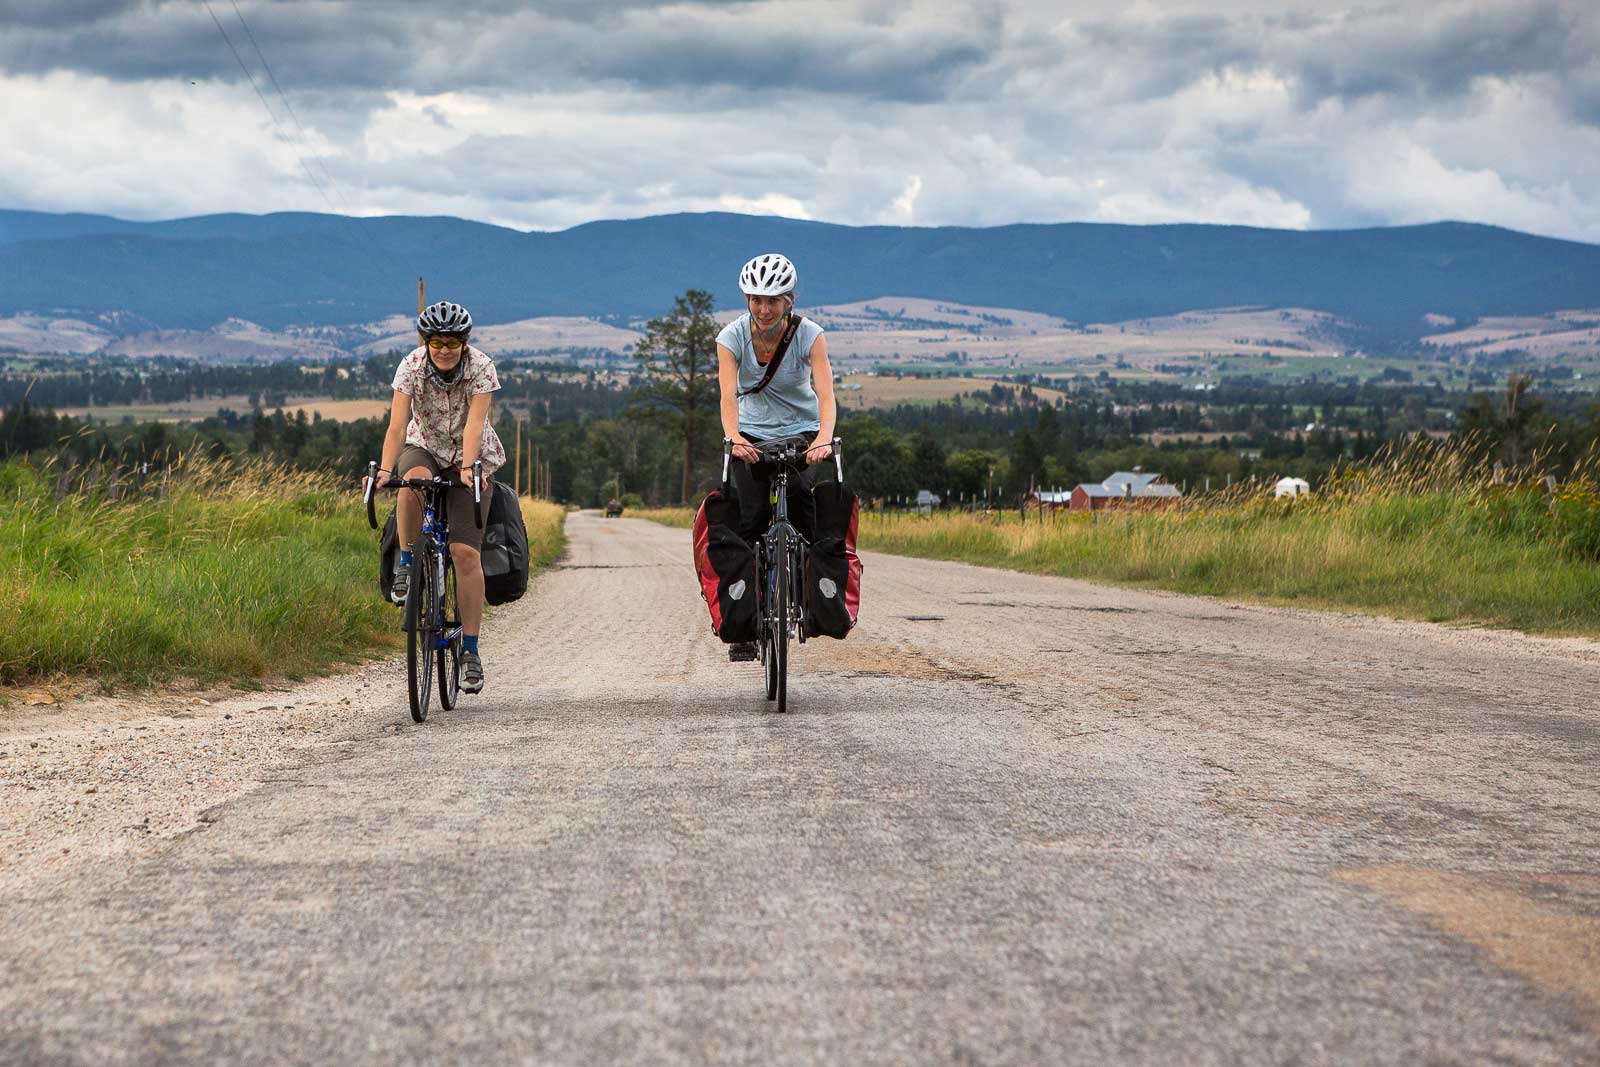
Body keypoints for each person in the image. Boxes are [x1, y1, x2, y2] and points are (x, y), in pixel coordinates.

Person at [376, 300, 505, 694]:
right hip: (426, 445)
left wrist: (468, 468)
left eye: (452, 342)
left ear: (464, 342)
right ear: (426, 341)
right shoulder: (410, 366)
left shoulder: (481, 367)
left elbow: (474, 424)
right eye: (436, 342)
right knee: (411, 478)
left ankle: (469, 650)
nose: (444, 349)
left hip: (471, 454)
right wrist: (384, 469)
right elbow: (398, 425)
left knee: (465, 554)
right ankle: (406, 559)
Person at [716, 252, 837, 661]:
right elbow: (727, 396)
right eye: (756, 299)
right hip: (750, 435)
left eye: (774, 300)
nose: (764, 309)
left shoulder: (810, 335)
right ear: (747, 300)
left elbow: (825, 393)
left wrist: (823, 437)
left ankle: (810, 602)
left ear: (790, 300)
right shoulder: (730, 337)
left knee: (807, 518)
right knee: (747, 523)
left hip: (800, 434)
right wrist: (734, 437)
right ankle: (747, 625)